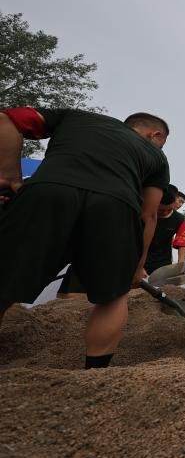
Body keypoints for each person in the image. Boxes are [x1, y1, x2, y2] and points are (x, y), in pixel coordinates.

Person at [0, 107, 170, 368]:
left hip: (49, 192)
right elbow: (149, 215)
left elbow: (7, 118)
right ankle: (95, 374)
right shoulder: (156, 157)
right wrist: (136, 266)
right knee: (113, 297)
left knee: (5, 276)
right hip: (116, 206)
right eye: (163, 142)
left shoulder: (76, 117)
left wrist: (9, 175)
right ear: (155, 134)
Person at [143, 185, 185, 277]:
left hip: (162, 264)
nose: (164, 212)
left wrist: (180, 266)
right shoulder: (143, 213)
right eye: (160, 210)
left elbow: (182, 244)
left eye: (168, 209)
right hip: (138, 259)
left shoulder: (181, 220)